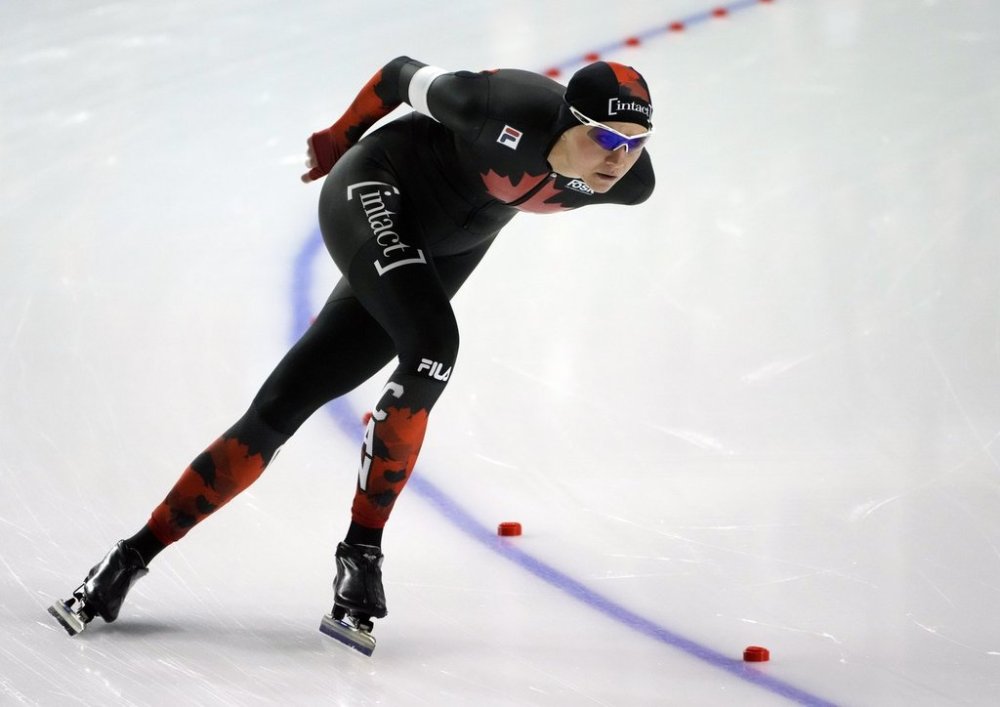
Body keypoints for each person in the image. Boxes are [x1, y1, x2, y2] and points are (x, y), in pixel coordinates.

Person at [49, 56, 655, 653]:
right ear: (564, 120)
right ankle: (362, 554)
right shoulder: (492, 106)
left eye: (636, 142)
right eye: (604, 137)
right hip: (374, 187)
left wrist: (619, 152)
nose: (618, 158)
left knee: (286, 403)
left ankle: (128, 558)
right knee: (434, 345)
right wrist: (339, 138)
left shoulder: (629, 181)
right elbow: (397, 75)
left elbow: (617, 164)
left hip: (442, 253)